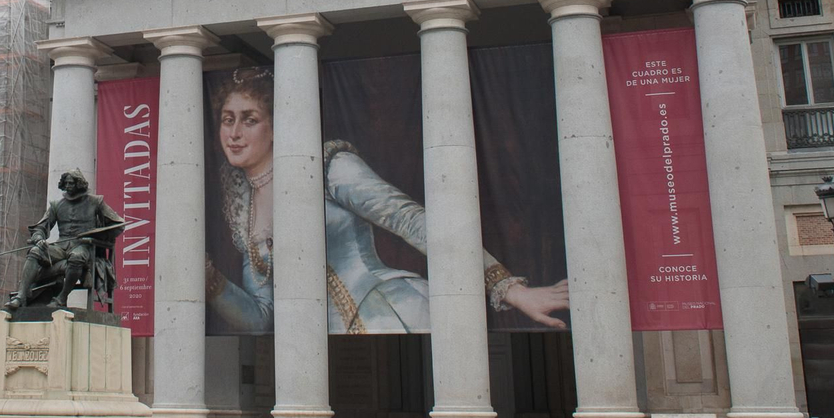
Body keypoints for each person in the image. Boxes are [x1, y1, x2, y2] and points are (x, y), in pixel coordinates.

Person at [205, 67, 571, 335]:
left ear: (276, 125)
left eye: (249, 120)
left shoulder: (328, 168)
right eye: (227, 120)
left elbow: (413, 222)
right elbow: (260, 318)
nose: (234, 134)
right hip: (332, 347)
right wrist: (211, 282)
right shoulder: (244, 211)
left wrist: (511, 289)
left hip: (396, 310)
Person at [6, 170, 127, 311]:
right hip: (61, 246)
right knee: (35, 251)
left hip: (84, 246)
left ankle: (61, 298)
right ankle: (21, 296)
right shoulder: (57, 205)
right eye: (66, 183)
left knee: (76, 258)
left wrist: (99, 236)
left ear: (79, 184)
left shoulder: (96, 202)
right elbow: (40, 227)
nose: (68, 185)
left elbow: (118, 225)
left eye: (71, 183)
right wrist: (39, 238)